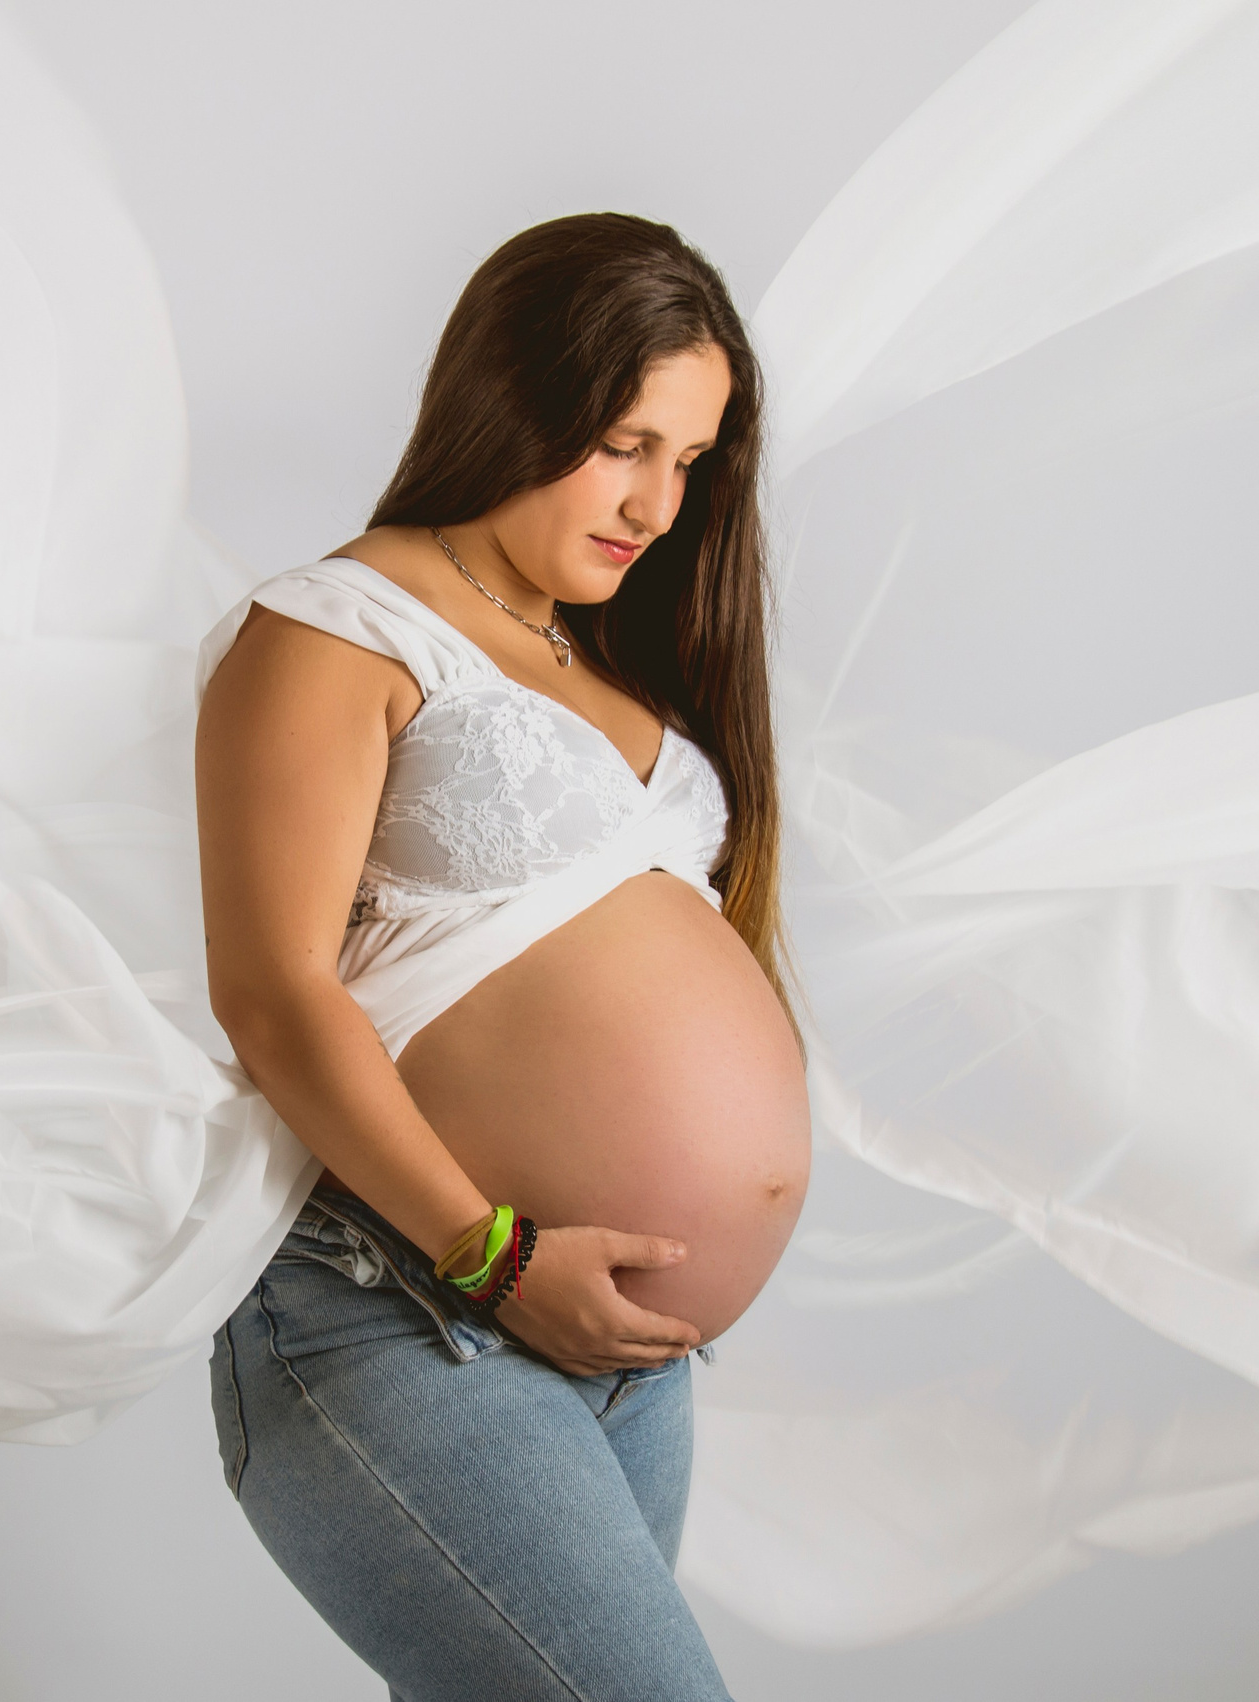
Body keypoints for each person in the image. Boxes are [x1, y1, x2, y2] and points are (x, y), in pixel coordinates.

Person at [193, 212, 811, 1700]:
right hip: (407, 1305)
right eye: (624, 443)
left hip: (624, 1358)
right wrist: (497, 1254)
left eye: (693, 460)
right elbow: (273, 997)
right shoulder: (336, 629)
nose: (659, 502)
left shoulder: (606, 656)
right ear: (510, 399)